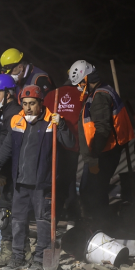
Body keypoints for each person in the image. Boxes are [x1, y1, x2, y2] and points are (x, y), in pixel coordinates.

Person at [0, 85, 74, 270]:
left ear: (40, 103)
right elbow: (7, 147)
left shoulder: (51, 121)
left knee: (43, 222)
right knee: (17, 221)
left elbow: (70, 143)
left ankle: (40, 259)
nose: (28, 108)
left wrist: (63, 125)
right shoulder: (18, 121)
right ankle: (19, 257)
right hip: (20, 183)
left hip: (42, 184)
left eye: (32, 104)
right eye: (25, 104)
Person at [69, 60, 134, 227]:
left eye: (79, 83)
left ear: (86, 79)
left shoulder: (99, 96)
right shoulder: (103, 89)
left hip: (102, 153)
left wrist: (94, 158)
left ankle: (98, 226)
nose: (77, 87)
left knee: (91, 192)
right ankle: (101, 226)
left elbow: (102, 129)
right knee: (96, 191)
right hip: (104, 151)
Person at [0, 75, 31, 267]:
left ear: (9, 93)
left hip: (15, 171)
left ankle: (12, 251)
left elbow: (10, 145)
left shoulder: (13, 114)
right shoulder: (7, 113)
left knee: (7, 211)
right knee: (7, 209)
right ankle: (20, 250)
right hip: (9, 170)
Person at [44, 83, 82, 223]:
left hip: (53, 146)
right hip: (72, 145)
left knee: (57, 182)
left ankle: (57, 215)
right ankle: (71, 215)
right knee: (68, 181)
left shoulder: (52, 95)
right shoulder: (82, 95)